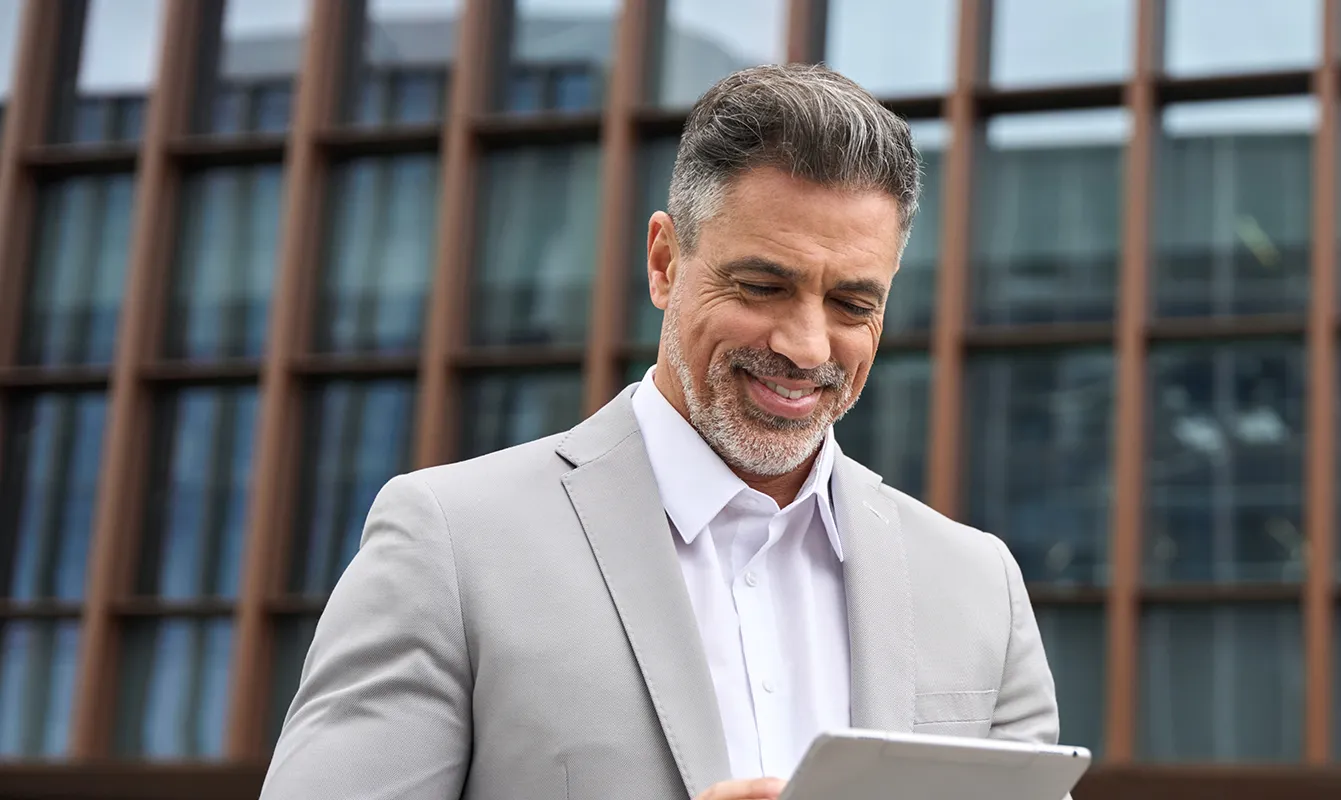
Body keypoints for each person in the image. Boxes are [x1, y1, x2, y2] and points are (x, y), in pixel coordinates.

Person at [260, 64, 1063, 800]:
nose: (808, 346)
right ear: (664, 261)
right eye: (762, 285)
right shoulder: (451, 544)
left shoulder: (978, 585)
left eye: (853, 305)